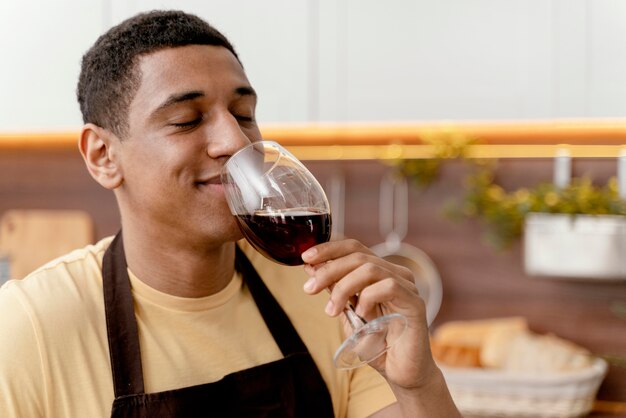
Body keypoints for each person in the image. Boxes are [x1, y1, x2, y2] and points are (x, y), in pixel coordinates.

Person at [0, 10, 460, 418]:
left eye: (242, 114)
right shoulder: (29, 330)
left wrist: (419, 384)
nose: (236, 142)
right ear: (103, 155)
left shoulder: (323, 296)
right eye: (186, 119)